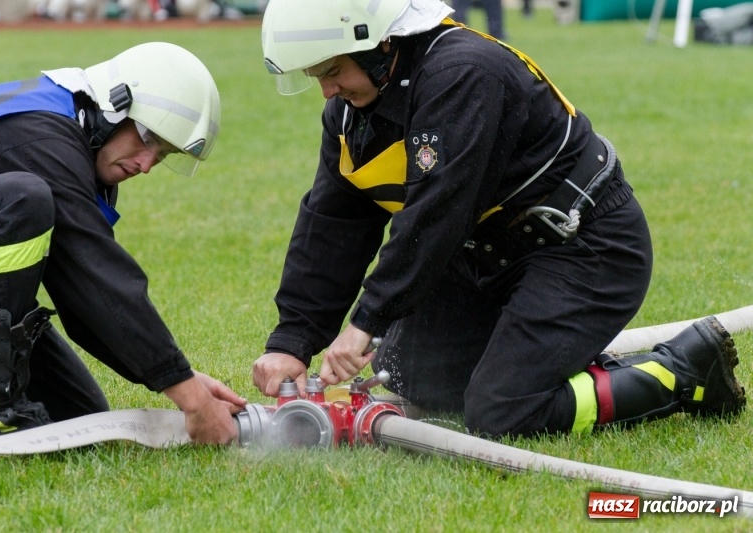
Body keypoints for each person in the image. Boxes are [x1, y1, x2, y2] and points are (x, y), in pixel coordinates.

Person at [252, 0, 746, 439]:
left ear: (380, 45)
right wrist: (293, 340)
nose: (326, 91)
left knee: (501, 411)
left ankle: (681, 370)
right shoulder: (348, 110)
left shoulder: (463, 72)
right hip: (479, 257)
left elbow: (437, 211)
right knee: (413, 383)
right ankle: (554, 361)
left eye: (332, 70)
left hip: (582, 248)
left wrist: (365, 322)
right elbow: (333, 224)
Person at [0, 42, 246, 443]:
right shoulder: (42, 140)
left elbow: (88, 304)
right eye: (148, 139)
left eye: (163, 155)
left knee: (79, 416)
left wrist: (181, 376)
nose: (146, 164)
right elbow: (94, 277)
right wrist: (190, 395)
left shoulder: (68, 133)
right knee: (21, 199)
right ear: (114, 107)